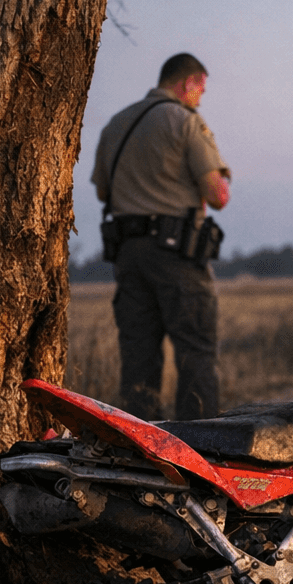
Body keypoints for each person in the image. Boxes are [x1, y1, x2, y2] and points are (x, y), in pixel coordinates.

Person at [91, 52, 231, 421]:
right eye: (200, 89)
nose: (200, 98)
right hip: (176, 254)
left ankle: (140, 447)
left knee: (138, 356)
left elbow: (103, 192)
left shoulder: (116, 124)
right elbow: (218, 196)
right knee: (196, 351)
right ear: (189, 83)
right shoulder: (185, 122)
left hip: (128, 254)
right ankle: (200, 448)